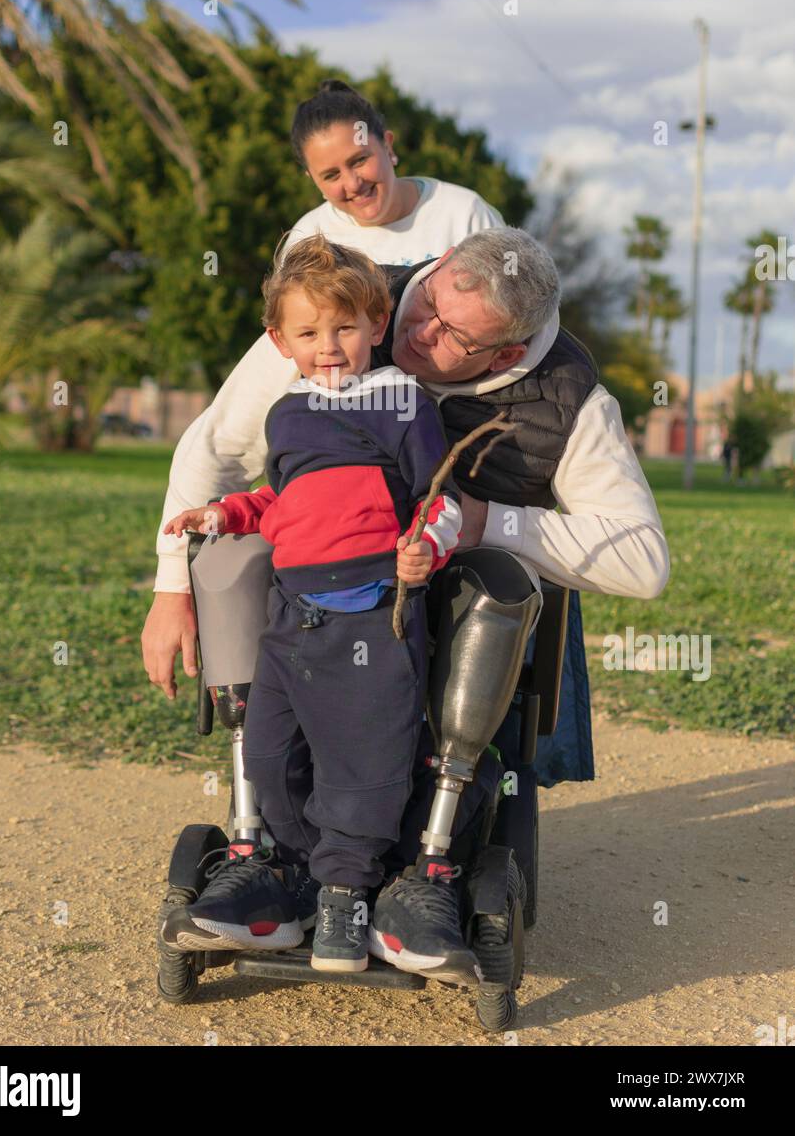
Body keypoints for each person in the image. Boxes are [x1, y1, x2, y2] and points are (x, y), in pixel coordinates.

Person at [143, 227, 670, 978]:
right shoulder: (347, 299)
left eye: (451, 333)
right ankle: (269, 856)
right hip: (309, 582)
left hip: (418, 588)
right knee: (235, 561)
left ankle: (414, 868)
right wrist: (172, 585)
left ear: (505, 356)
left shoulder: (570, 397)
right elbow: (212, 448)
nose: (416, 330)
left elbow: (646, 562)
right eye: (426, 298)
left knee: (488, 590)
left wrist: (486, 521)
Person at [159, 235, 464, 976]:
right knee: (268, 755)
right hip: (292, 618)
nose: (330, 347)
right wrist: (226, 515)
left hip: (375, 616)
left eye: (346, 329)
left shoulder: (402, 402)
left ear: (377, 322)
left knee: (364, 760)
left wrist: (429, 543)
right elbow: (282, 500)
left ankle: (345, 892)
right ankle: (295, 878)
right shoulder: (288, 413)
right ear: (279, 341)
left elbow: (441, 499)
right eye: (308, 333)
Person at [283, 79, 507, 266]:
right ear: (313, 180)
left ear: (388, 146)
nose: (352, 184)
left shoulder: (464, 215)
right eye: (331, 175)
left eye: (360, 160)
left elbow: (523, 304)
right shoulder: (307, 240)